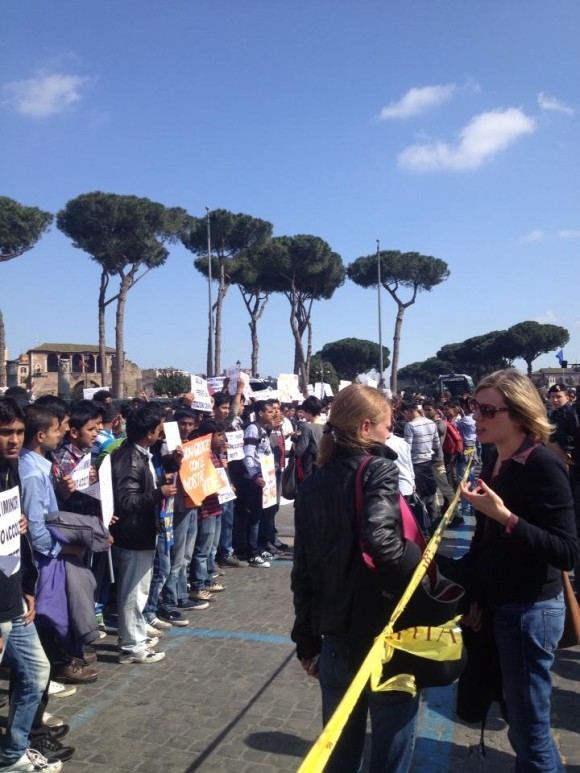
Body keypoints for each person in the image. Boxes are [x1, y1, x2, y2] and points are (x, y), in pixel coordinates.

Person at [292, 384, 421, 773]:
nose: (390, 433)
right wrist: (426, 571)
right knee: (389, 753)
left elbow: (303, 569)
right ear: (366, 427)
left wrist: (306, 640)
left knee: (339, 756)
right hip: (383, 632)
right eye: (386, 425)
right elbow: (383, 544)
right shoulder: (379, 468)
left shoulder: (314, 481)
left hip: (334, 636)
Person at [459, 369, 578, 772]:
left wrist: (505, 516)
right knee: (517, 720)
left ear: (520, 412)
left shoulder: (543, 465)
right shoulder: (495, 458)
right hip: (500, 605)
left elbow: (567, 552)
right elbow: (485, 540)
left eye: (488, 409)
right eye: (476, 407)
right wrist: (472, 594)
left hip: (531, 610)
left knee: (531, 732)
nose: (477, 417)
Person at [110, 404, 177, 664]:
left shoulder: (141, 454)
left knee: (139, 589)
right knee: (133, 591)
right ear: (149, 432)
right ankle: (131, 645)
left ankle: (133, 637)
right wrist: (158, 493)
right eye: (158, 428)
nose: (161, 432)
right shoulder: (130, 457)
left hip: (141, 531)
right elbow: (127, 501)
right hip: (133, 534)